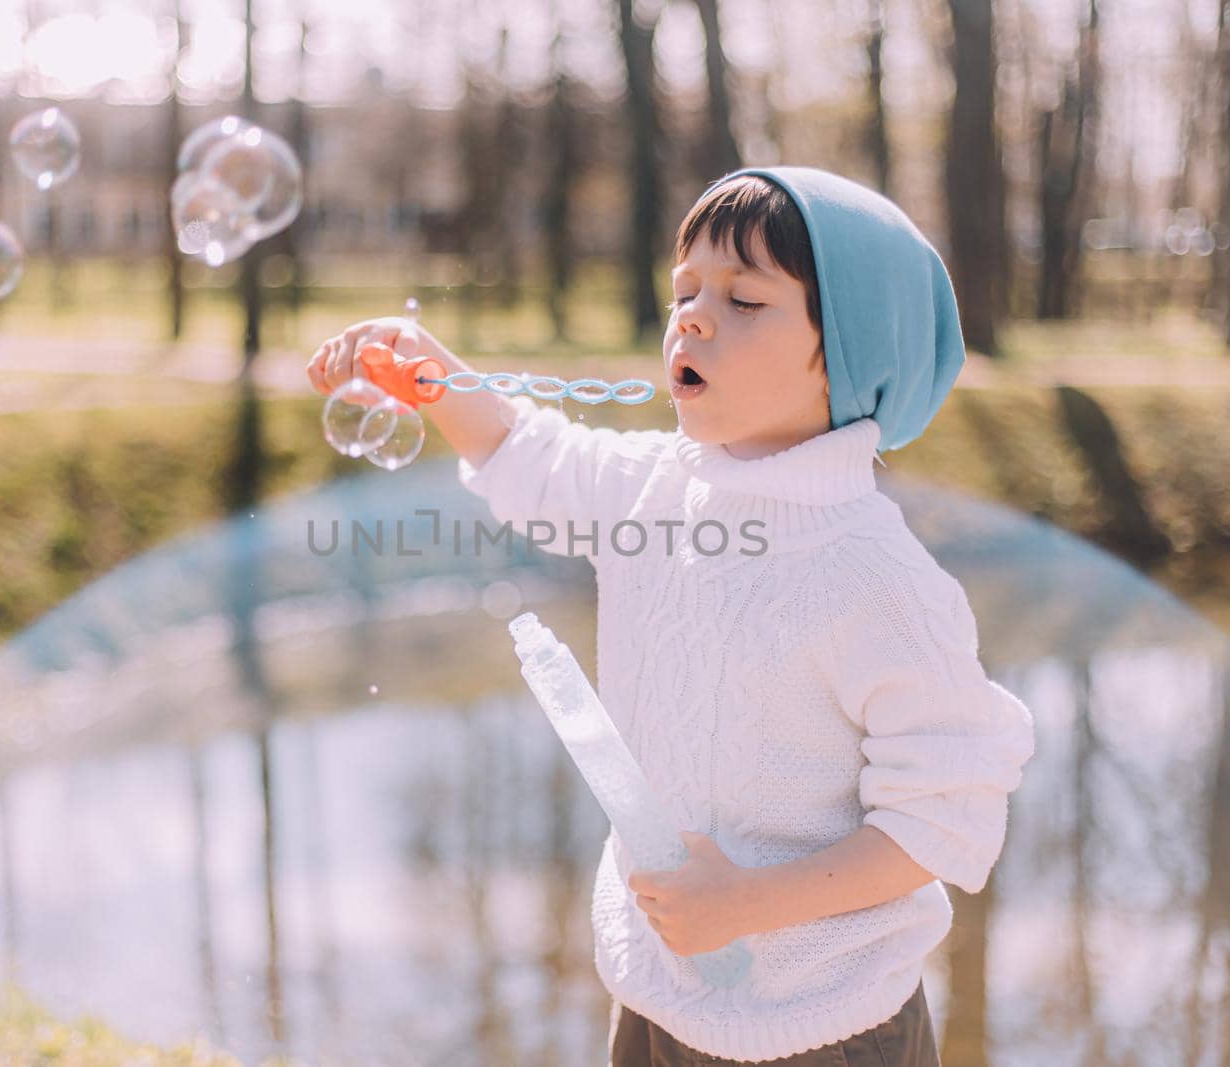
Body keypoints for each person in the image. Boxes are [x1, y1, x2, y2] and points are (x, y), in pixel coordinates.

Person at [306, 167, 1036, 1066]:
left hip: (827, 1025)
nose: (691, 317)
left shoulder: (877, 577)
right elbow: (529, 452)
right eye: (684, 291)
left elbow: (942, 819)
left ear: (846, 350)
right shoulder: (651, 488)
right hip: (658, 995)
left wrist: (746, 904)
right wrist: (427, 370)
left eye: (744, 299)